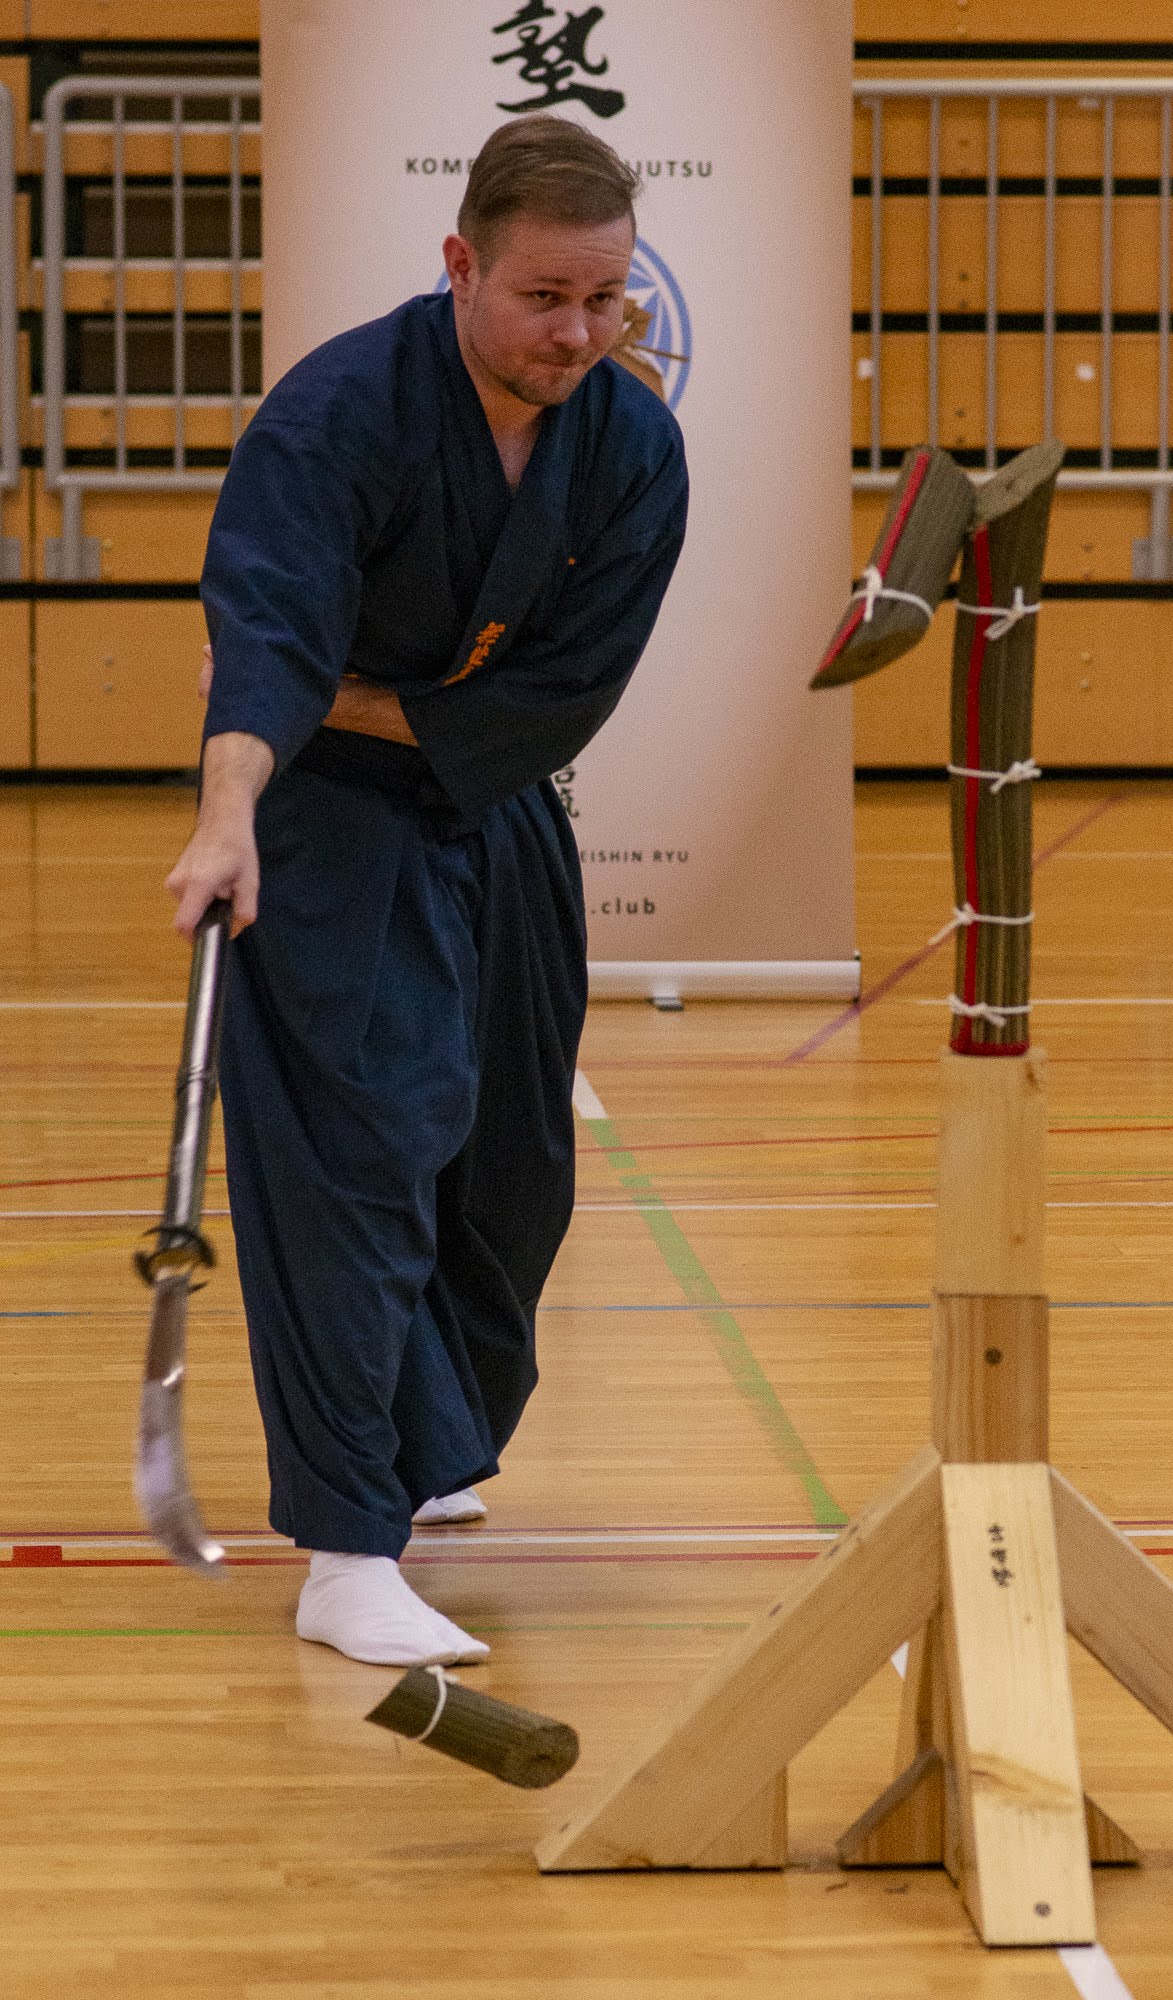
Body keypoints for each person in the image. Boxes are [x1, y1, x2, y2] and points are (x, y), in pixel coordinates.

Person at [165, 115, 688, 1667]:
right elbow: (263, 640)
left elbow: (565, 703)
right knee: (360, 1150)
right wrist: (228, 814)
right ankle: (343, 1546)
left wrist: (361, 697)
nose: (578, 334)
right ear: (459, 263)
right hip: (319, 824)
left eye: (606, 302)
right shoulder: (338, 416)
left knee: (510, 1166)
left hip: (496, 810)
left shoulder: (631, 444)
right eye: (543, 298)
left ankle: (420, 1440)